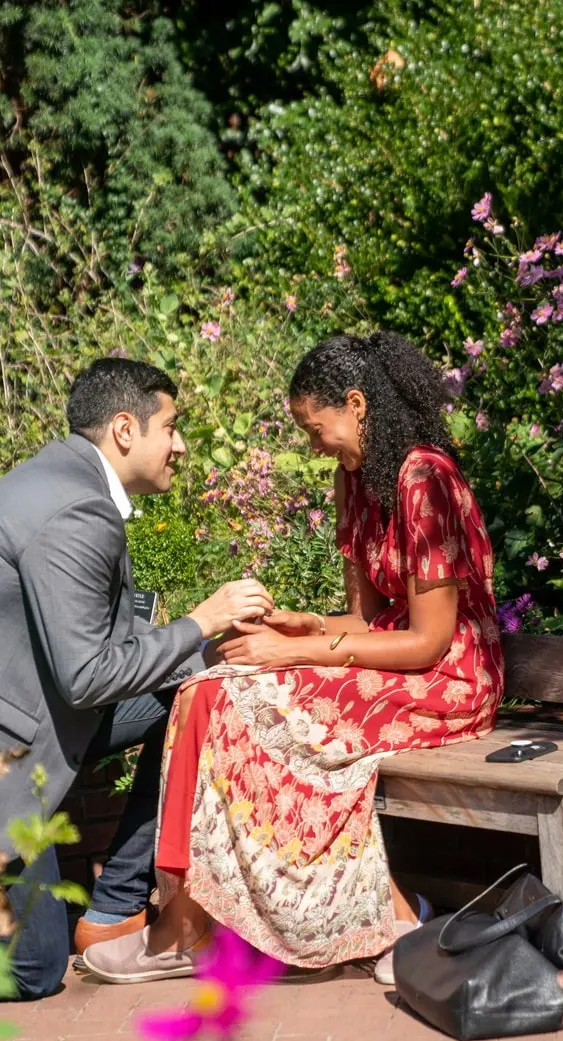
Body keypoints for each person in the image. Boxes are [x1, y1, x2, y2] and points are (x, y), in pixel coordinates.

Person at [82, 332, 503, 986]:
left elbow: (428, 642)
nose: (314, 445)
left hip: (450, 678)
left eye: (316, 428)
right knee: (206, 686)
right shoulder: (355, 479)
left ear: (357, 405)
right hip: (394, 661)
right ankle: (185, 924)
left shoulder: (427, 481)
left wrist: (299, 649)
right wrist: (304, 625)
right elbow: (363, 623)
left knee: (238, 702)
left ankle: (373, 919)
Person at [0, 357, 274, 999]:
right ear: (124, 429)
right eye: (170, 426)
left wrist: (214, 654)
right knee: (34, 970)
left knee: (193, 690)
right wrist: (202, 622)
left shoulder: (64, 482)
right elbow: (88, 676)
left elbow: (104, 650)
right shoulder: (77, 510)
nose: (180, 444)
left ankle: (114, 909)